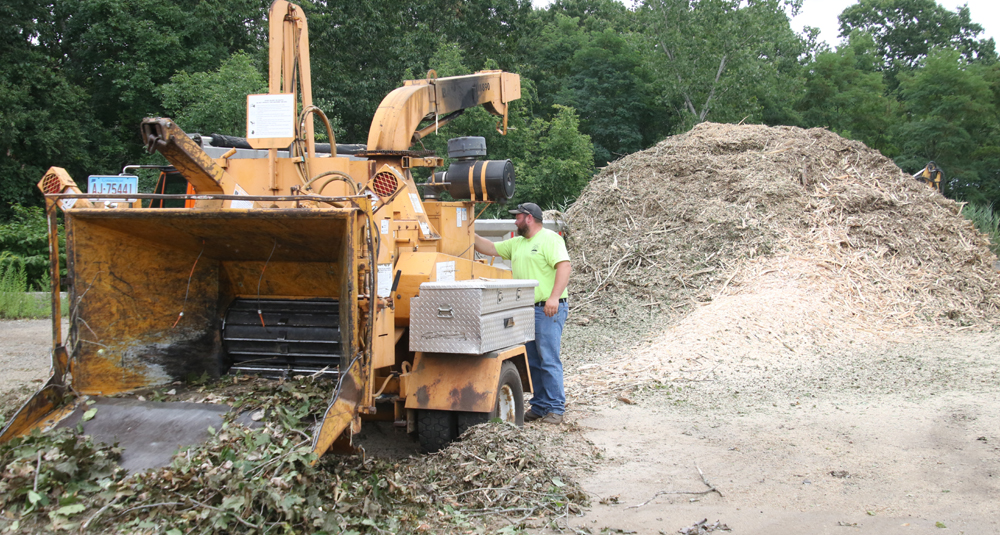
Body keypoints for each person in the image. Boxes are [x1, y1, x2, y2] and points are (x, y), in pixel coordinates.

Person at [474, 202, 571, 424]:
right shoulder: (517, 243)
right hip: (526, 310)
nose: (515, 221)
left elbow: (564, 267)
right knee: (532, 361)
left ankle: (556, 407)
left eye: (517, 217)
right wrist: (467, 231)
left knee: (548, 358)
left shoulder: (550, 239)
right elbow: (489, 248)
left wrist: (554, 297)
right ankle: (540, 405)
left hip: (548, 309)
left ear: (528, 218)